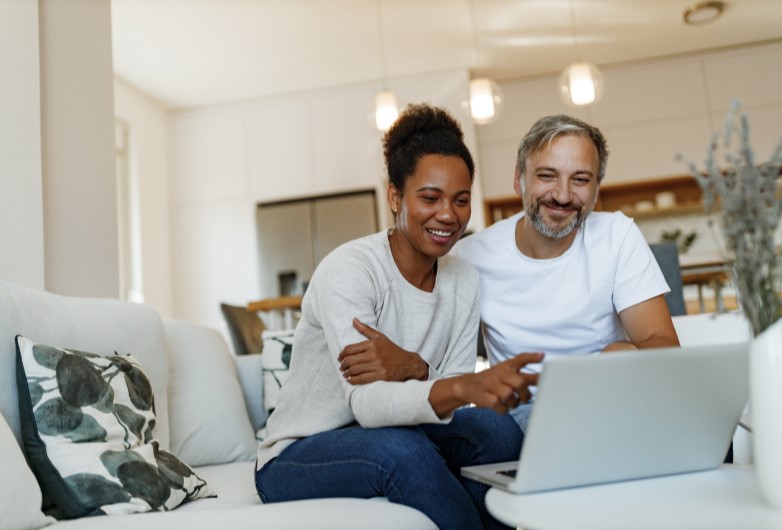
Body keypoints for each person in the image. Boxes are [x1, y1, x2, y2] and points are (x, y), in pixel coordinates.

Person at [255, 103, 540, 530]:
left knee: (494, 430)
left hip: (401, 428)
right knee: (402, 451)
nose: (448, 214)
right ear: (394, 196)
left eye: (461, 200)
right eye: (430, 197)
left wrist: (413, 365)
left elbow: (454, 396)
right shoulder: (350, 270)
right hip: (302, 452)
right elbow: (369, 406)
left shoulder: (463, 279)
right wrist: (450, 380)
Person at [452, 114, 680, 431]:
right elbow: (446, 366)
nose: (562, 195)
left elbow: (665, 347)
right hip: (520, 415)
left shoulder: (618, 235)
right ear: (519, 179)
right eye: (547, 176)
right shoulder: (469, 255)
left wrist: (630, 351)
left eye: (581, 180)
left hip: (609, 400)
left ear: (597, 189)